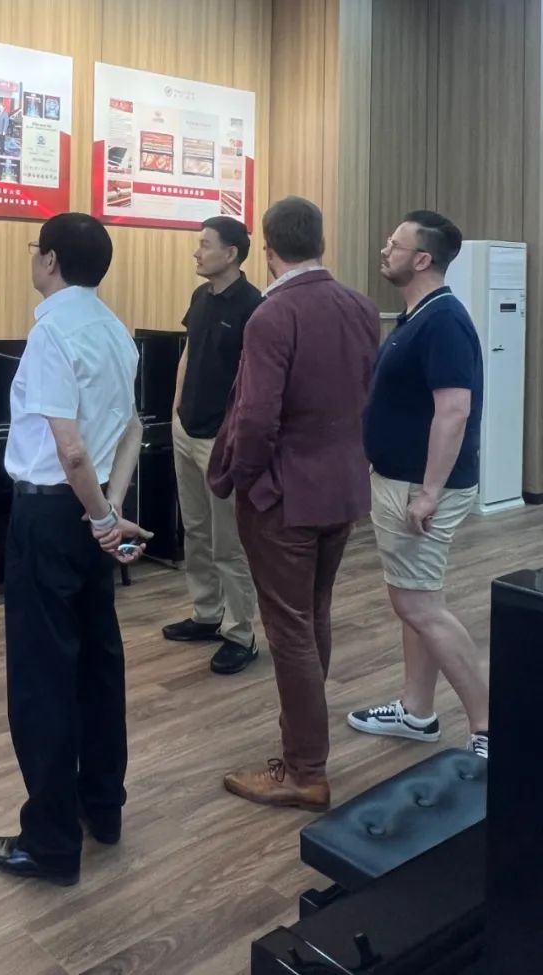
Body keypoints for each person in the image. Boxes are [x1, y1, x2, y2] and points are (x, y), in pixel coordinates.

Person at [0, 213, 150, 886]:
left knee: (43, 678)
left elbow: (69, 446)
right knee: (98, 665)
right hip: (89, 514)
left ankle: (50, 843)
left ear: (49, 260)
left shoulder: (52, 329)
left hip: (52, 516)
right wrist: (110, 512)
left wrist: (102, 515)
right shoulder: (115, 330)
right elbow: (132, 428)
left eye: (35, 250)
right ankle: (102, 808)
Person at [209, 197, 379, 810]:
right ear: (321, 243)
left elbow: (256, 418)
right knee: (313, 617)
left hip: (283, 495)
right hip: (342, 488)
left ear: (268, 248)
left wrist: (245, 478)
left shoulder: (272, 314)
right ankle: (305, 749)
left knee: (290, 631)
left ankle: (305, 768)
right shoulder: (361, 306)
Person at [351, 211, 488, 758]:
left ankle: (490, 728)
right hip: (403, 481)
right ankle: (416, 710)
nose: (385, 250)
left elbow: (453, 411)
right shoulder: (418, 316)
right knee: (417, 601)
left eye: (395, 244)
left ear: (423, 259)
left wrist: (428, 492)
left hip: (420, 489)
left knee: (420, 606)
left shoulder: (443, 321)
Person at [162, 217, 262, 675]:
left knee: (229, 542)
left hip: (222, 441)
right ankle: (206, 613)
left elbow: (255, 379)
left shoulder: (253, 306)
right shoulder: (200, 297)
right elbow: (188, 352)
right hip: (186, 430)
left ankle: (240, 633)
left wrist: (233, 433)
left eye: (205, 245)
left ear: (231, 253)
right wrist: (175, 408)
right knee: (196, 532)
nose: (197, 252)